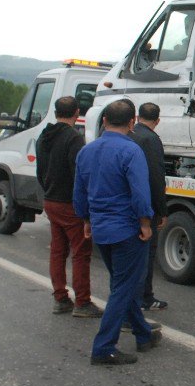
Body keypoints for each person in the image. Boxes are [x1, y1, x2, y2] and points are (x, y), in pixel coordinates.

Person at [74, 99, 160, 365]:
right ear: (132, 123)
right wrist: (146, 224)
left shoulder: (86, 152)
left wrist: (87, 220)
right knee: (123, 288)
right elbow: (140, 192)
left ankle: (144, 334)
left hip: (101, 228)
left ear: (104, 121)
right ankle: (103, 347)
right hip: (126, 230)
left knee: (122, 283)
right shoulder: (131, 151)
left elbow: (79, 192)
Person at [36, 96, 102, 318]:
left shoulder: (44, 136)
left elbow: (40, 171)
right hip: (69, 203)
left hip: (50, 199)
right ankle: (82, 302)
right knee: (81, 252)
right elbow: (80, 175)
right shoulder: (73, 139)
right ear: (76, 113)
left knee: (58, 250)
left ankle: (60, 297)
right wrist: (86, 210)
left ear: (56, 112)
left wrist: (48, 189)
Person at [130, 102, 169, 312]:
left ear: (137, 117)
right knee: (146, 254)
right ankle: (144, 298)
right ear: (158, 121)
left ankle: (133, 298)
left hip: (127, 205)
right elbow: (156, 177)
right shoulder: (151, 139)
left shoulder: (129, 133)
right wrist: (162, 210)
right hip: (147, 206)